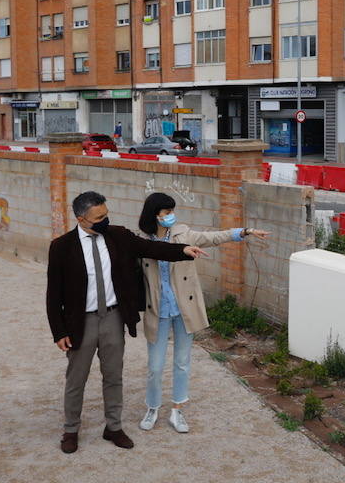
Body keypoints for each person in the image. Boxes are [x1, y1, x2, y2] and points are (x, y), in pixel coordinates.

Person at [46, 191, 205, 454]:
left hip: (112, 318)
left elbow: (151, 248)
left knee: (113, 376)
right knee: (76, 378)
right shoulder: (62, 247)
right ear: (81, 218)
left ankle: (114, 427)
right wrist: (58, 331)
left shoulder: (118, 235)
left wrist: (183, 251)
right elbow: (53, 293)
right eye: (99, 217)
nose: (105, 220)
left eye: (106, 214)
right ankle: (71, 429)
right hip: (80, 323)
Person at [136, 193, 269, 433]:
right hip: (157, 310)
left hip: (184, 308)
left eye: (171, 212)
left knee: (182, 362)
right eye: (166, 213)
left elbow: (214, 237)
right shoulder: (143, 241)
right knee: (155, 366)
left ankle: (177, 409)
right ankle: (153, 407)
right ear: (154, 215)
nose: (170, 216)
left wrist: (245, 231)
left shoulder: (183, 233)